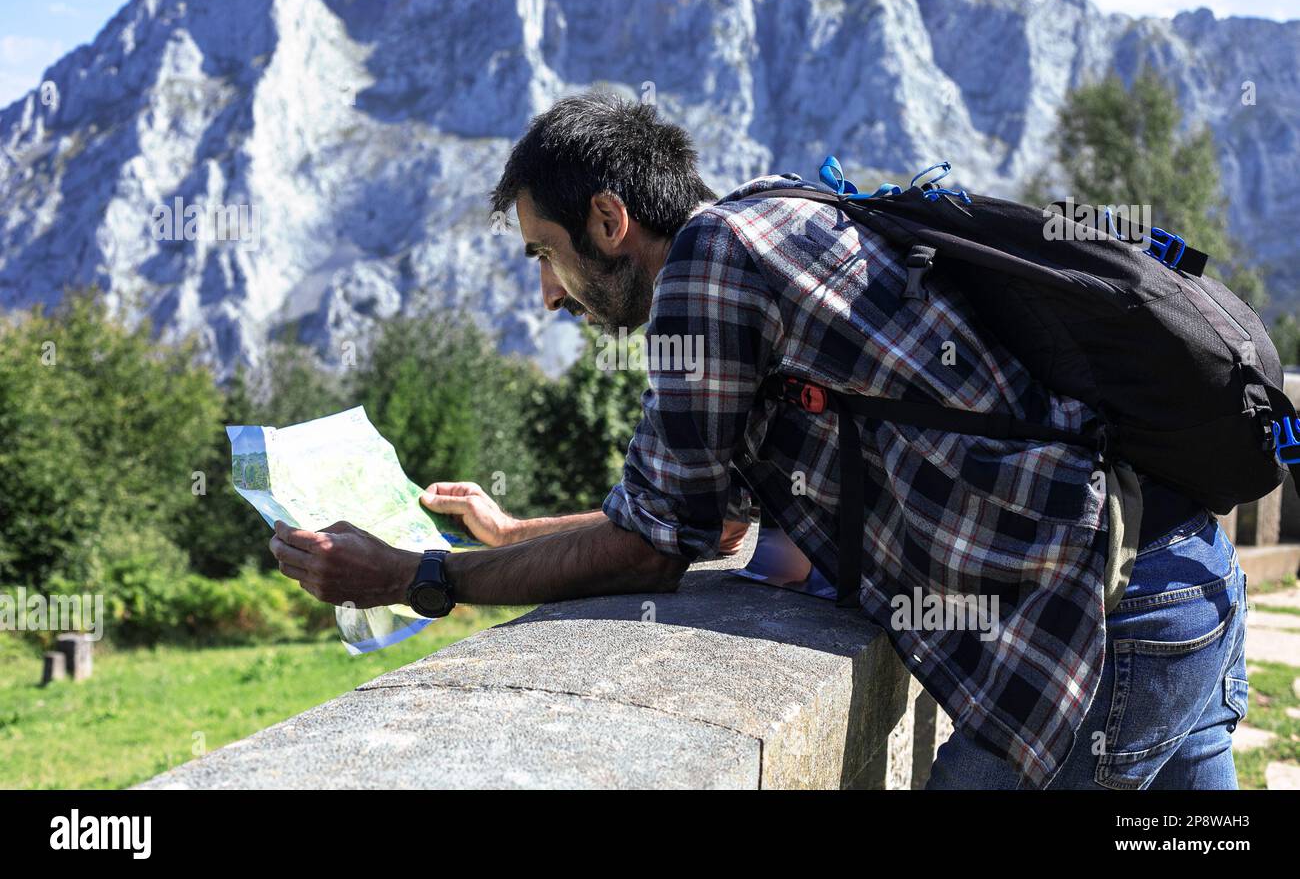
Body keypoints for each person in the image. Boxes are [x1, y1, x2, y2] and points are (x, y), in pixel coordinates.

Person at [269, 91, 1247, 789]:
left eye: (544, 253)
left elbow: (654, 543)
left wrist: (415, 577)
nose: (546, 295)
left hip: (1099, 627)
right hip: (1185, 574)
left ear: (609, 219)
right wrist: (510, 530)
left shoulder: (707, 262)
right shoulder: (774, 218)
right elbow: (701, 513)